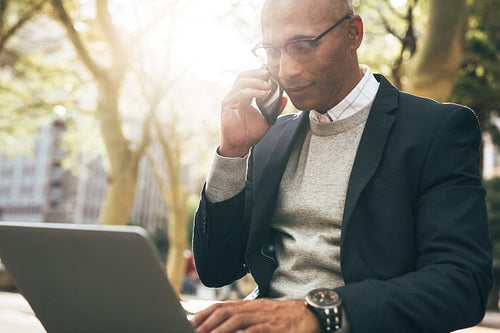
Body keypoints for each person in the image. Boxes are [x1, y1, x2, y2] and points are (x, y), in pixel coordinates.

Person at [191, 0, 493, 332]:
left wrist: (318, 314)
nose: (286, 70)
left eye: (302, 47)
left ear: (353, 34)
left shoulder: (436, 129)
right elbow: (216, 270)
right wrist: (233, 152)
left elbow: (463, 284)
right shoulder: (270, 137)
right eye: (273, 52)